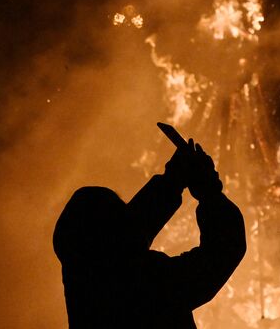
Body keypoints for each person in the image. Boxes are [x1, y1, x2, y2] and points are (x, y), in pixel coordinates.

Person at [53, 139, 246, 328]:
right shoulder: (144, 284)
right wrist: (210, 195)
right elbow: (221, 253)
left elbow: (130, 230)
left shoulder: (83, 276)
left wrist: (172, 180)